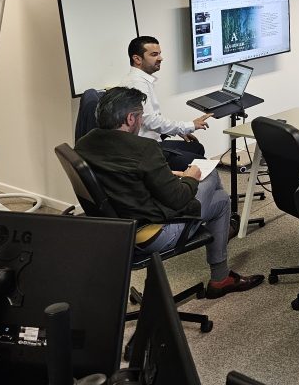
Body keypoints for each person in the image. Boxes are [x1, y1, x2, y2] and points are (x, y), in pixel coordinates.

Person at [75, 87, 264, 298]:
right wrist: (191, 177)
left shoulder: (85, 143)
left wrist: (165, 175)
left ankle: (221, 271)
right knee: (211, 177)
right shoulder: (144, 148)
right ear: (130, 118)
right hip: (152, 233)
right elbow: (178, 199)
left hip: (115, 228)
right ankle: (219, 274)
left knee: (220, 201)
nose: (141, 121)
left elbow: (122, 175)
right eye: (140, 116)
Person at [121, 36, 211, 171]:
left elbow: (151, 119)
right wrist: (188, 126)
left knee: (197, 148)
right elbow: (150, 121)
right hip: (144, 149)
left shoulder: (140, 80)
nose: (160, 58)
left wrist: (179, 130)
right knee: (201, 163)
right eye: (154, 55)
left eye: (159, 54)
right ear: (137, 59)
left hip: (151, 141)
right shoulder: (136, 83)